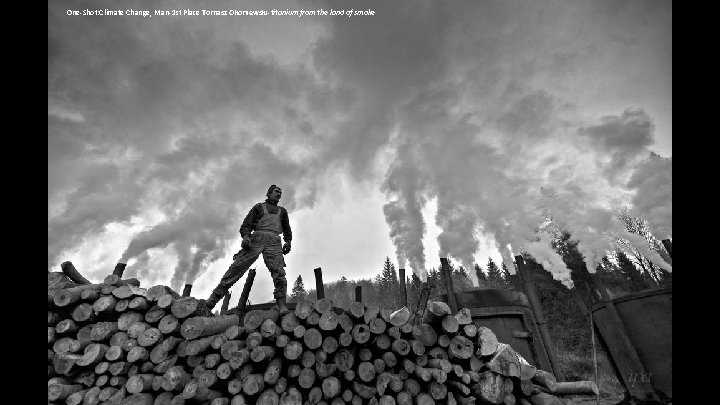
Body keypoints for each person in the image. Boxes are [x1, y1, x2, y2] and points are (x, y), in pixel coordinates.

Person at [203, 184, 292, 314]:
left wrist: (288, 241)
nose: (278, 194)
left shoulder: (282, 211)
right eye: (276, 191)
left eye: (280, 192)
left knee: (279, 272)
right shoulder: (258, 207)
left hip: (274, 241)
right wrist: (246, 237)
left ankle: (282, 305)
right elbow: (246, 225)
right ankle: (213, 299)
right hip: (257, 238)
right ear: (268, 194)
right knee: (237, 267)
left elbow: (287, 229)